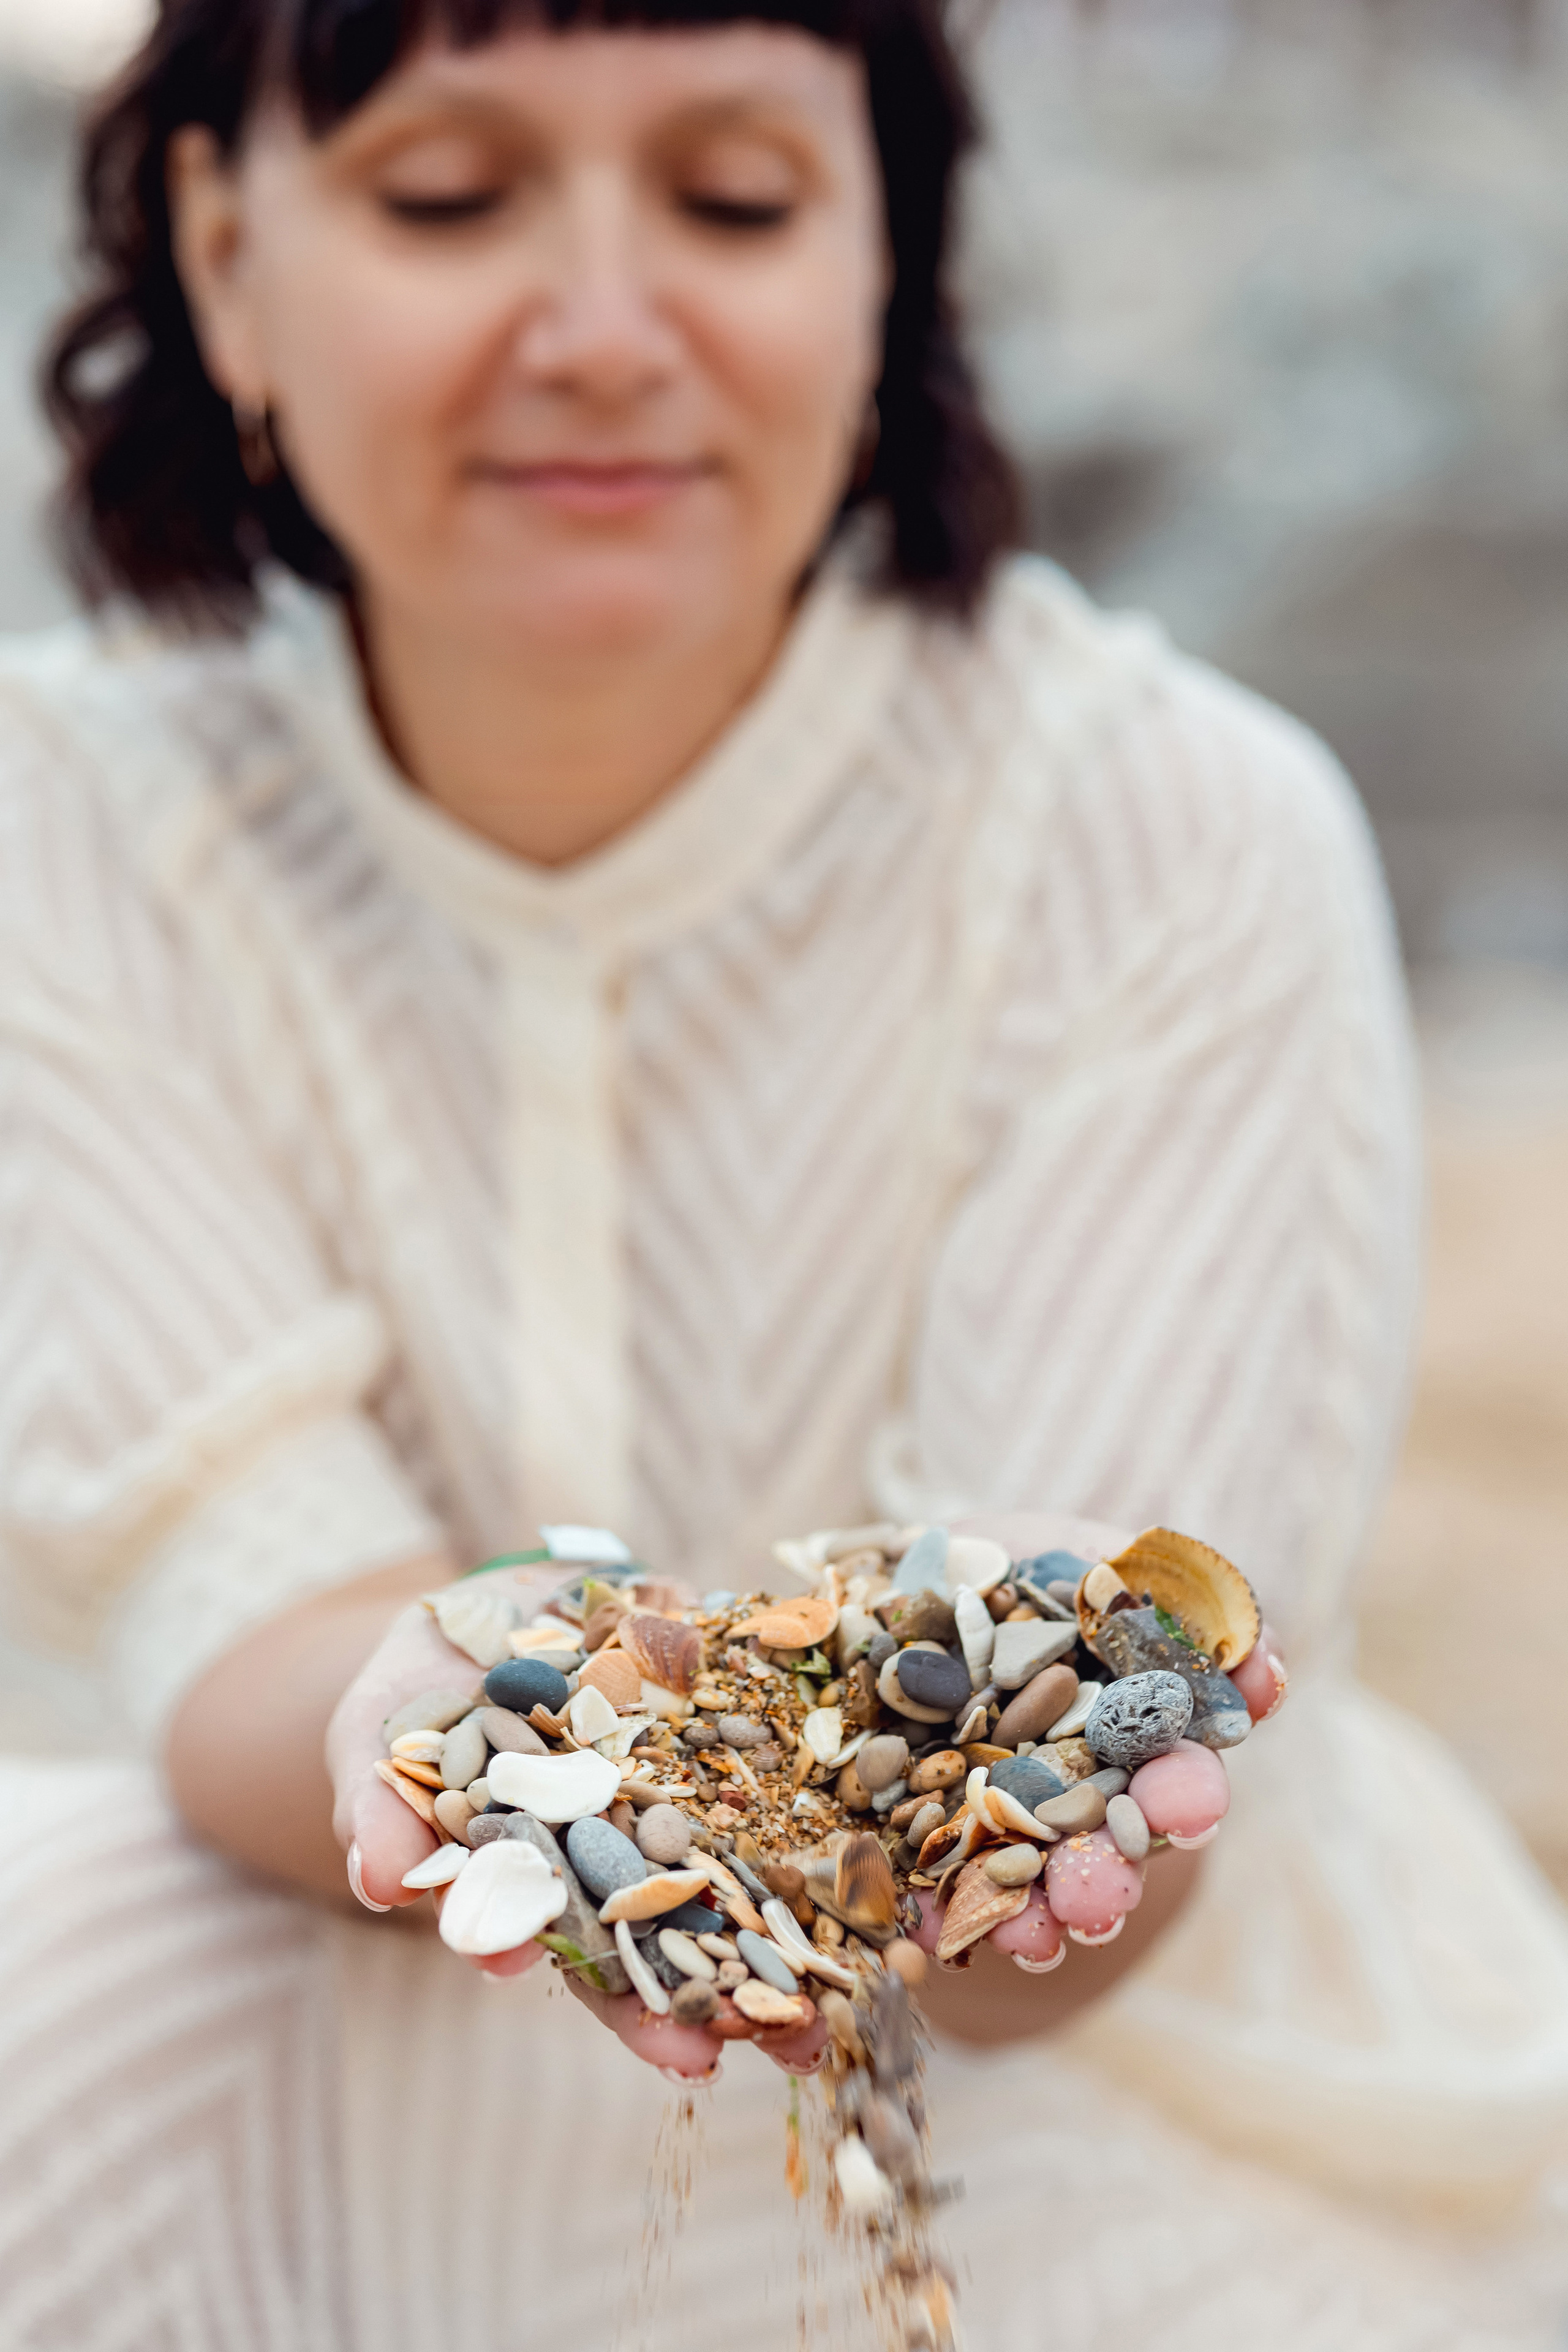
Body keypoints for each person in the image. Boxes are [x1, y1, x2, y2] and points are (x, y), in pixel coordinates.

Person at [2, 1, 1566, 2344]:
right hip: (320, 2021)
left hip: (1117, 2129)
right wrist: (476, 1694)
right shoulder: (68, 823)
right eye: (453, 198)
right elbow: (228, 1609)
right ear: (226, 257)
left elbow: (1059, 1944)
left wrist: (1017, 1763)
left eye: (734, 201)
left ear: (888, 265)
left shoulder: (1167, 840)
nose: (604, 332)